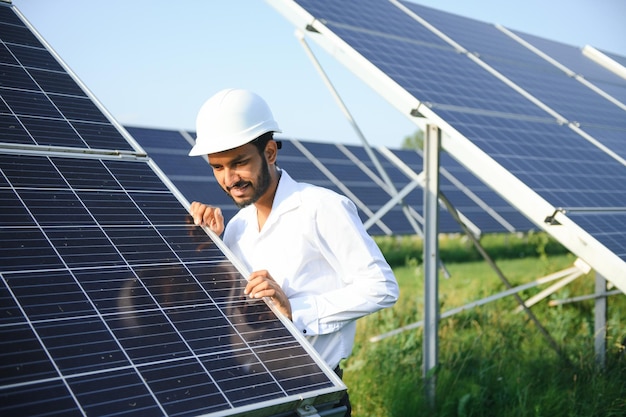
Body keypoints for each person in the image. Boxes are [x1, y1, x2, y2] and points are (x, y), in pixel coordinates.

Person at [188, 88, 399, 416]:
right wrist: (212, 247)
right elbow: (232, 312)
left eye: (239, 163)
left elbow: (382, 287)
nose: (229, 179)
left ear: (269, 152)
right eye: (218, 167)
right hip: (250, 395)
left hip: (311, 399)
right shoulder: (238, 227)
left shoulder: (322, 207)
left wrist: (294, 312)